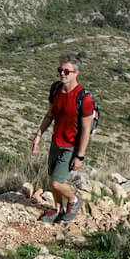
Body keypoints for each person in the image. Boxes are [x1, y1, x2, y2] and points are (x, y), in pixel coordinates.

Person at [31, 54, 95, 223]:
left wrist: (80, 156)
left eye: (67, 71)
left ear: (76, 73)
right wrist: (38, 135)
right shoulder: (55, 89)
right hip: (56, 141)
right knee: (52, 181)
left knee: (57, 182)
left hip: (71, 146)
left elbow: (86, 130)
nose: (62, 74)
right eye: (60, 70)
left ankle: (74, 201)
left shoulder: (84, 98)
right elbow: (50, 115)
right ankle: (58, 208)